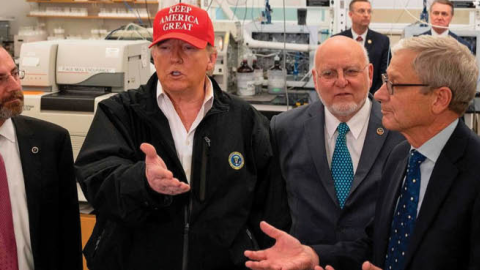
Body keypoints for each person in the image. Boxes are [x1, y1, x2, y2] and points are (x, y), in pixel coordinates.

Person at [74, 3, 290, 270]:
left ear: (211, 57)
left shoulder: (245, 121)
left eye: (188, 47)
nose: (174, 57)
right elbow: (96, 180)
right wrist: (142, 181)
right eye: (164, 47)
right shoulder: (119, 113)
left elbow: (270, 206)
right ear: (152, 55)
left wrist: (253, 254)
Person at [244, 35, 480, 270]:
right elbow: (377, 242)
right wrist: (314, 255)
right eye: (385, 81)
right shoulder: (403, 158)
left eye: (393, 85)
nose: (379, 94)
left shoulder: (472, 170)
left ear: (439, 99)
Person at [270, 36, 403, 253]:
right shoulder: (284, 129)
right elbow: (274, 211)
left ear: (369, 74)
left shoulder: (400, 131)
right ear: (315, 78)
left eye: (351, 71)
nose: (341, 82)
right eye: (329, 74)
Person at [0, 46, 82, 270]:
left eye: (15, 74)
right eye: (0, 79)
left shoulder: (51, 142)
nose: (15, 87)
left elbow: (68, 238)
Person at [336, 0, 391, 94]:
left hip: (374, 96)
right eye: (362, 11)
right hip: (344, 93)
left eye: (369, 11)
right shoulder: (337, 40)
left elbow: (385, 74)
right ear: (350, 14)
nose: (366, 15)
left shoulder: (382, 41)